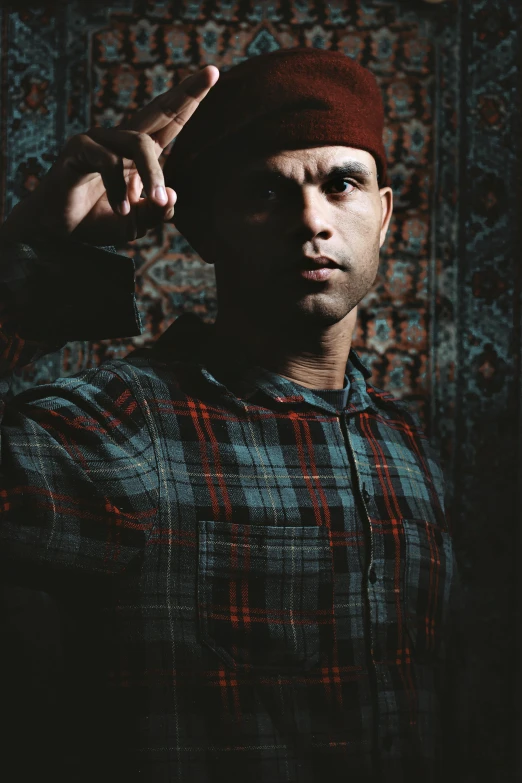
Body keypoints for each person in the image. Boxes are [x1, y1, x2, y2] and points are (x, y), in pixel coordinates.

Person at [0, 48, 456, 782]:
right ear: (205, 232)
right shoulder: (122, 430)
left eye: (343, 184)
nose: (312, 218)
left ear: (385, 214)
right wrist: (32, 257)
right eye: (267, 193)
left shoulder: (413, 452)